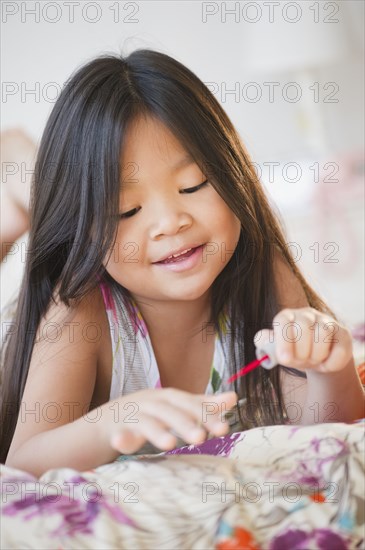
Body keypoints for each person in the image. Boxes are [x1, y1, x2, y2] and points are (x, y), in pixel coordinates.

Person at [1, 49, 364, 478]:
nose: (171, 223)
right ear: (85, 230)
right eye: (126, 210)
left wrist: (331, 368)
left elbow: (327, 425)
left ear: (233, 175)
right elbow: (23, 463)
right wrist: (114, 420)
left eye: (193, 185)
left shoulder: (259, 270)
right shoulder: (79, 311)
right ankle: (16, 192)